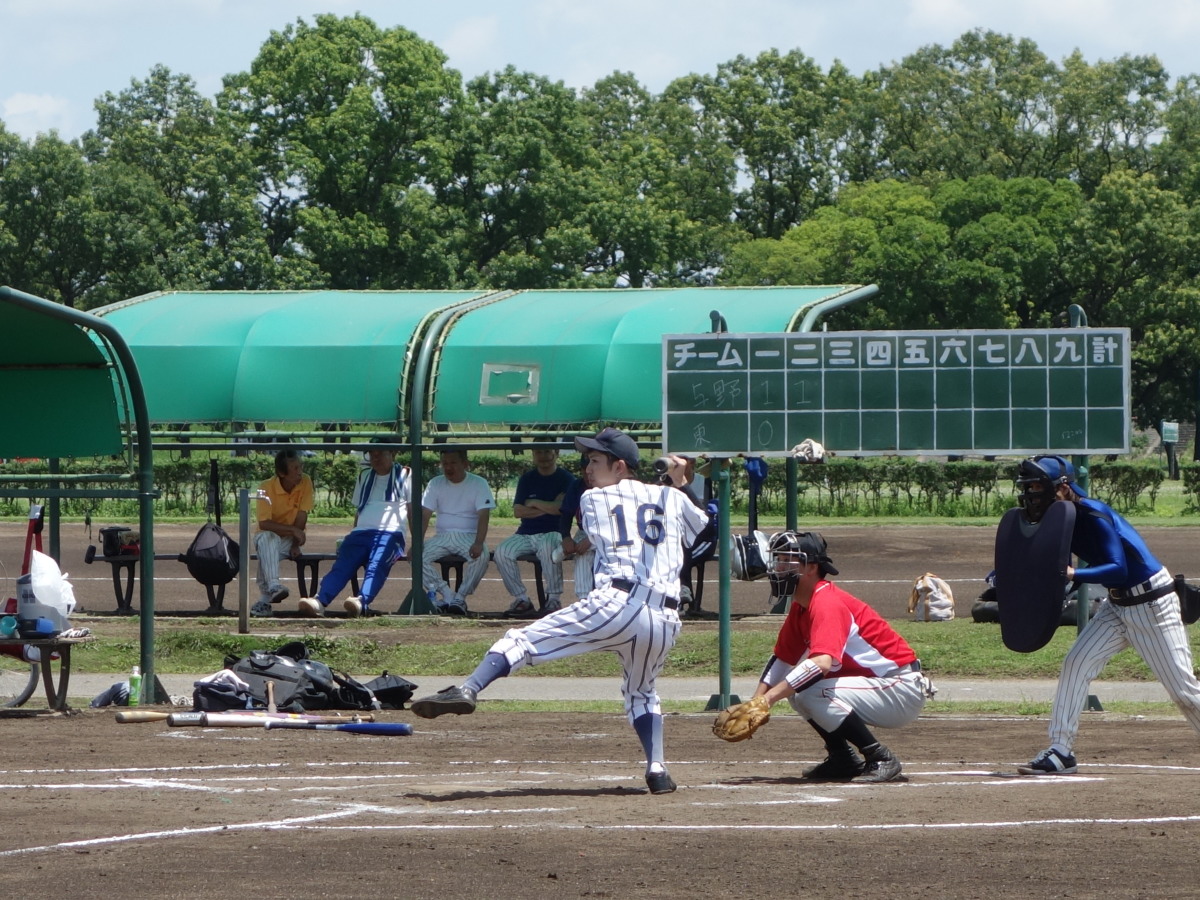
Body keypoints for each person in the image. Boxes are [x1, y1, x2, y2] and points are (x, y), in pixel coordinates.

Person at [410, 427, 709, 795]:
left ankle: (469, 689)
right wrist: (679, 484)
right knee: (642, 692)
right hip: (664, 619)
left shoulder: (593, 499)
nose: (587, 468)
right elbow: (701, 531)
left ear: (619, 466)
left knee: (520, 640)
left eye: (595, 460)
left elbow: (622, 515)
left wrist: (664, 487)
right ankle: (657, 769)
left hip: (617, 604)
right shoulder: (670, 496)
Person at [1014, 455, 1200, 775]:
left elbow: (1118, 568)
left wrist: (1074, 574)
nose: (1031, 494)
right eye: (1027, 487)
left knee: (1183, 691)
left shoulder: (1092, 514)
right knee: (1076, 663)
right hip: (1117, 606)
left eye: (1037, 487)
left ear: (1063, 488)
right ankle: (1060, 751)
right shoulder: (1060, 521)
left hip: (1152, 604)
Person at [748, 531, 933, 783]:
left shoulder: (827, 603)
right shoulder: (802, 605)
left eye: (787, 560)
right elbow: (783, 659)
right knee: (797, 689)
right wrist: (755, 702)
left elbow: (821, 663)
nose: (778, 567)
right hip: (881, 686)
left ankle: (880, 757)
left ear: (811, 567)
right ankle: (842, 758)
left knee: (808, 690)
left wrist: (768, 699)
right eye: (778, 560)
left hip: (899, 688)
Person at [299, 439, 412, 618]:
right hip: (361, 533)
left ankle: (361, 600)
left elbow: (412, 509)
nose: (375, 458)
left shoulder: (406, 474)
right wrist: (353, 533)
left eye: (380, 453)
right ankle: (319, 601)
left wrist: (416, 542)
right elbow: (360, 509)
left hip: (391, 533)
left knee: (376, 564)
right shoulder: (364, 475)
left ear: (393, 453)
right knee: (343, 565)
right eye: (371, 454)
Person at [492, 443, 574, 617]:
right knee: (502, 552)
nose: (543, 456)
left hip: (553, 531)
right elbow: (518, 511)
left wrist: (534, 503)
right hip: (525, 532)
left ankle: (553, 599)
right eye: (538, 451)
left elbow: (561, 510)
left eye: (547, 451)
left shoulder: (566, 478)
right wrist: (550, 505)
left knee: (547, 547)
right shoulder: (527, 478)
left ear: (556, 452)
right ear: (533, 454)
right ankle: (522, 599)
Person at [419, 448, 496, 615]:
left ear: (465, 464)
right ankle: (448, 596)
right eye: (444, 463)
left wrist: (478, 542)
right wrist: (417, 544)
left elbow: (484, 515)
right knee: (417, 557)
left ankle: (460, 598)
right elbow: (425, 515)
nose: (448, 467)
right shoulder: (435, 483)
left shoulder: (479, 483)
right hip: (442, 536)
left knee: (482, 555)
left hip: (468, 536)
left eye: (453, 462)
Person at [251, 449, 314, 619]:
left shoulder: (305, 481)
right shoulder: (265, 487)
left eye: (300, 466)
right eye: (295, 468)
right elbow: (264, 523)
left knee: (267, 555)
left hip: (289, 539)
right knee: (268, 539)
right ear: (281, 473)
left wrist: (295, 543)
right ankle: (273, 585)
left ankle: (264, 601)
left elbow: (302, 515)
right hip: (265, 536)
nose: (300, 472)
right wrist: (293, 530)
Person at [555, 454, 595, 601]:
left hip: (609, 534)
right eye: (584, 470)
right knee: (579, 554)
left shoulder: (610, 487)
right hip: (584, 531)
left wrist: (592, 540)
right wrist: (566, 537)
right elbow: (566, 515)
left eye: (592, 469)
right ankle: (584, 600)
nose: (588, 474)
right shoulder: (577, 486)